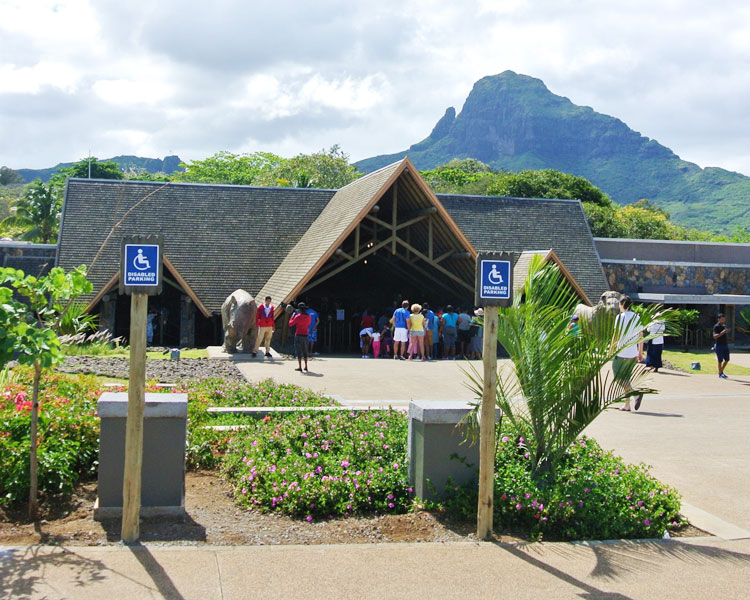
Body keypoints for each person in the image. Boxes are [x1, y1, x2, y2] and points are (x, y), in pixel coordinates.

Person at [612, 296, 644, 412]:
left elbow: (616, 335)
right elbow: (641, 336)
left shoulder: (620, 317)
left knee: (618, 378)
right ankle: (627, 405)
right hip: (633, 353)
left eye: (619, 305)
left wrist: (611, 349)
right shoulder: (637, 317)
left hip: (621, 352)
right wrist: (640, 352)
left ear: (622, 305)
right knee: (626, 379)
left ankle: (635, 394)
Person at [288, 302, 312, 372]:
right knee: (305, 350)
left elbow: (290, 324)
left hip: (298, 334)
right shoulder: (308, 316)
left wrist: (292, 316)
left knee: (299, 351)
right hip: (305, 334)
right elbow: (309, 323)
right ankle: (306, 366)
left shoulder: (298, 316)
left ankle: (300, 366)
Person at [713, 313, 730, 379]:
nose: (723, 321)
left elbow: (724, 332)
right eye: (722, 319)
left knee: (727, 359)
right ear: (718, 319)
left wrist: (726, 331)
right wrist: (723, 332)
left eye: (724, 319)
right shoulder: (716, 326)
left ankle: (720, 372)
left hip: (725, 345)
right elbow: (715, 336)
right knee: (720, 360)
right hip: (719, 345)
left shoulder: (724, 326)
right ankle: (720, 373)